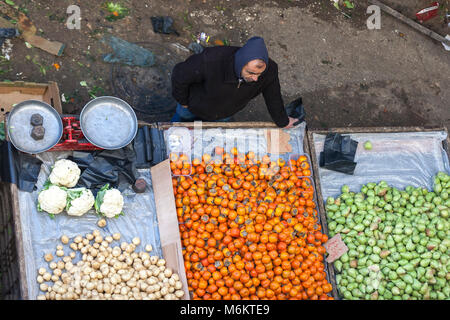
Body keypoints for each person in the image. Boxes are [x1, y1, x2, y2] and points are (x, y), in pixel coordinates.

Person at [171, 36, 297, 128]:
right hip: (193, 106)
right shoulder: (211, 60)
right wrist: (183, 101)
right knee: (178, 127)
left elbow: (273, 97)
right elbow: (179, 75)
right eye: (251, 73)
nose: (256, 79)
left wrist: (283, 121)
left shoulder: (270, 70)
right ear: (240, 63)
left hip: (224, 114)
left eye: (259, 74)